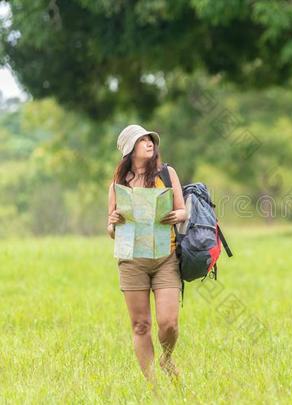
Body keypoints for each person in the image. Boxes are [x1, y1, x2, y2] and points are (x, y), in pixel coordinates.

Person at [106, 124, 187, 383]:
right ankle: (152, 385)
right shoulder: (119, 183)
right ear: (130, 150)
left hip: (166, 256)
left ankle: (167, 357)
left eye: (150, 139)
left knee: (169, 323)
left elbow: (183, 210)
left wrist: (179, 215)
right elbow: (110, 228)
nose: (149, 143)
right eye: (142, 141)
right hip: (131, 261)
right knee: (141, 325)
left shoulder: (167, 173)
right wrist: (114, 222)